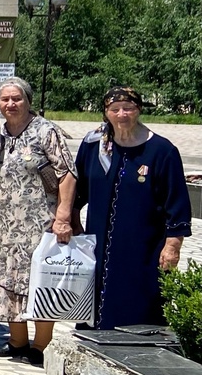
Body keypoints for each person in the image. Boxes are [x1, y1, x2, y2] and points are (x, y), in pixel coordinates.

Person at [73, 86, 191, 330]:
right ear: (106, 113)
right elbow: (78, 187)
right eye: (114, 109)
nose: (122, 114)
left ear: (139, 110)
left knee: (139, 296)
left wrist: (173, 245)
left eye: (128, 108)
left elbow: (176, 201)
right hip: (98, 240)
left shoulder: (162, 151)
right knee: (96, 294)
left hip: (143, 245)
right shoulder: (93, 145)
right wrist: (71, 218)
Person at [0, 77, 76, 366]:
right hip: (6, 226)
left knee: (39, 282)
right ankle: (17, 341)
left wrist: (63, 216)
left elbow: (67, 174)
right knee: (8, 280)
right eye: (5, 100)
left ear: (28, 101)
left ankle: (41, 345)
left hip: (41, 223)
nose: (11, 104)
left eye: (17, 99)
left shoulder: (45, 131)